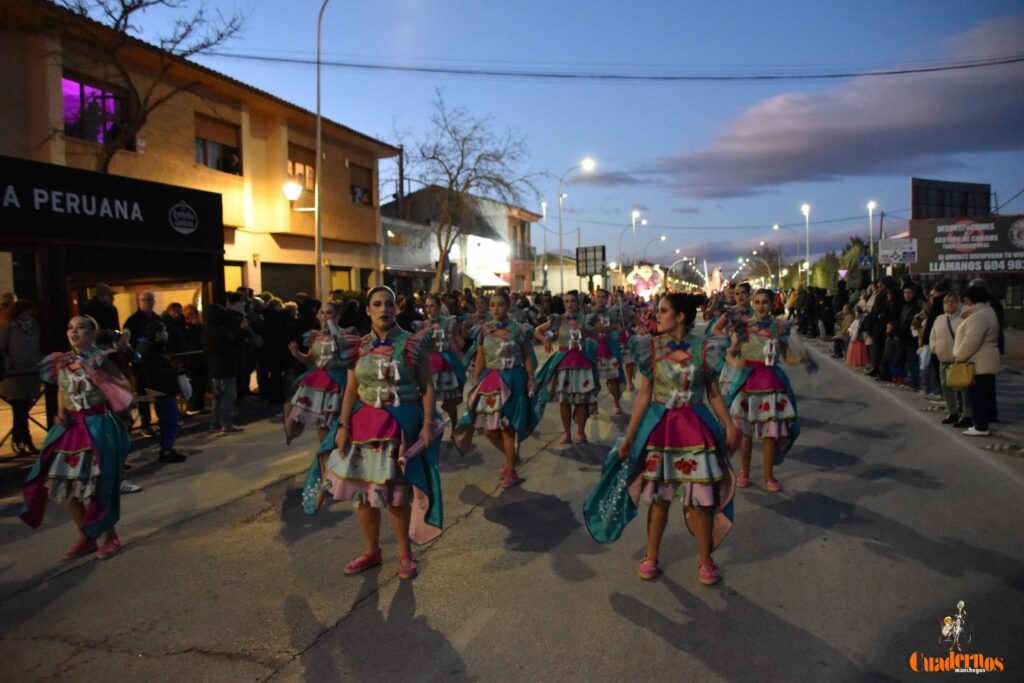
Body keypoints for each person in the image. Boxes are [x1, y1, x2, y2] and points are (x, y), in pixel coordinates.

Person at [582, 293, 738, 584]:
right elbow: (644, 396)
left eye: (663, 311)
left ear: (680, 317)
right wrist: (629, 436)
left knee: (700, 501)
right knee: (659, 499)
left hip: (695, 431)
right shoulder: (650, 348)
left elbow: (713, 393)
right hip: (662, 432)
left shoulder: (705, 349)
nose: (657, 315)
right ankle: (652, 555)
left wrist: (729, 424)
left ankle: (705, 560)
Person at [306, 286, 443, 580]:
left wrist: (427, 424)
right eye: (378, 304)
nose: (384, 309)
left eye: (390, 304)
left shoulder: (412, 343)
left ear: (396, 308)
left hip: (399, 428)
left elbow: (427, 388)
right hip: (364, 428)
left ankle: (405, 554)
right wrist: (343, 426)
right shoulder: (357, 346)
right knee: (365, 495)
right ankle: (372, 551)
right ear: (368, 310)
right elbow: (351, 390)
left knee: (395, 495)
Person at [20, 316, 132, 559]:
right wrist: (60, 412)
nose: (73, 331)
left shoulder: (102, 359)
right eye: (70, 327)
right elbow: (61, 388)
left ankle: (111, 536)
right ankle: (86, 537)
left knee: (97, 487)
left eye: (80, 327)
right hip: (71, 429)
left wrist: (103, 379)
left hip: (97, 426)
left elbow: (124, 386)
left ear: (93, 332)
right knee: (64, 484)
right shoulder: (63, 360)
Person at [722, 288, 815, 492]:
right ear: (752, 304)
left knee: (770, 434)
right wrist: (735, 362)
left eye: (765, 302)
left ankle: (768, 476)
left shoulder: (778, 328)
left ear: (772, 304)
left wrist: (801, 359)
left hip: (771, 383)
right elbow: (729, 352)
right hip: (748, 382)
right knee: (746, 433)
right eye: (757, 302)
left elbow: (787, 356)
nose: (761, 306)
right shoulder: (743, 328)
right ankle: (744, 472)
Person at [455, 291, 538, 488]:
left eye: (500, 304)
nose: (495, 308)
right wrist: (474, 383)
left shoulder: (518, 329)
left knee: (508, 428)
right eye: (492, 305)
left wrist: (531, 379)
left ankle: (511, 470)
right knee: (489, 429)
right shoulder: (482, 330)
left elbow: (527, 356)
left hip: (513, 380)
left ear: (508, 306)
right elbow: (481, 358)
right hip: (490, 382)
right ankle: (512, 459)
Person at [284, 301, 359, 445]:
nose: (325, 316)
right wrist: (297, 354)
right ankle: (324, 458)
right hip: (320, 383)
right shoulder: (315, 336)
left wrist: (332, 328)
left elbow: (347, 355)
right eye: (322, 313)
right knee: (322, 424)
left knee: (343, 423)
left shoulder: (347, 334)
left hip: (340, 382)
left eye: (329, 313)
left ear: (338, 315)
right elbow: (310, 360)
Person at [533, 291, 600, 444]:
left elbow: (595, 336)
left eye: (573, 301)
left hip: (582, 363)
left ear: (578, 303)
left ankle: (581, 432)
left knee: (581, 399)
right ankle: (567, 432)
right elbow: (537, 330)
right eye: (566, 301)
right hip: (563, 363)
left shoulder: (585, 319)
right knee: (564, 400)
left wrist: (591, 341)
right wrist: (545, 341)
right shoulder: (558, 320)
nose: (570, 304)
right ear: (563, 303)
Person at [416, 295, 466, 442]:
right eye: (427, 306)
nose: (429, 309)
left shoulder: (449, 323)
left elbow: (460, 342)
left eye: (432, 306)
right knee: (426, 399)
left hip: (446, 365)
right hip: (429, 365)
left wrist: (452, 345)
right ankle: (428, 428)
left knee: (449, 402)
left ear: (439, 307)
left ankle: (455, 426)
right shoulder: (423, 325)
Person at [952, 286, 1000, 437]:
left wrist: (958, 356)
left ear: (972, 299)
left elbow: (971, 340)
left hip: (979, 362)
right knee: (981, 394)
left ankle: (981, 426)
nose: (964, 303)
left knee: (977, 395)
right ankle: (979, 424)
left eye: (966, 300)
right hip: (984, 360)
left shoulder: (979, 316)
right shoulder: (986, 311)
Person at [138, 320, 187, 463]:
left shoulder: (157, 347)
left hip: (164, 388)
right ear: (157, 333)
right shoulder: (149, 348)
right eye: (164, 331)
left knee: (170, 419)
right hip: (160, 389)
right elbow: (153, 371)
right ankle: (166, 450)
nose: (167, 333)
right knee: (169, 420)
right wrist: (175, 371)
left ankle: (168, 448)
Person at [0, 299, 42, 455]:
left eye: (30, 313)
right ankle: (23, 440)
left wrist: (38, 360)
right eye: (25, 313)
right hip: (15, 373)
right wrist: (9, 364)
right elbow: (2, 347)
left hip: (31, 371)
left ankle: (20, 439)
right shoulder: (9, 327)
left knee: (23, 409)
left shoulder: (34, 327)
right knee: (19, 408)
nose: (28, 316)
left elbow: (37, 346)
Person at [203, 297, 250, 433]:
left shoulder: (207, 329)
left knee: (217, 397)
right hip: (226, 366)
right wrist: (241, 331)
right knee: (228, 396)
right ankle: (226, 423)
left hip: (214, 367)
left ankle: (215, 422)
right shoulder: (221, 330)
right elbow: (233, 344)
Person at [586, 289, 627, 414]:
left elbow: (620, 328)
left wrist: (615, 330)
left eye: (603, 297)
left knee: (613, 378)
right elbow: (587, 329)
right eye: (598, 296)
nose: (600, 299)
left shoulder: (612, 313)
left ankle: (616, 403)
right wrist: (608, 328)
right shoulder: (589, 313)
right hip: (594, 349)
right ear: (594, 298)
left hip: (609, 349)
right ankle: (594, 405)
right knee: (592, 378)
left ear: (607, 298)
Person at [929, 293, 964, 425]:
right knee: (946, 387)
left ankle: (964, 412)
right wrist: (935, 348)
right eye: (947, 302)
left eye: (953, 301)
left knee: (961, 389)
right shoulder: (939, 319)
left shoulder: (962, 319)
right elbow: (933, 336)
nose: (950, 304)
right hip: (943, 358)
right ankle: (952, 412)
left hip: (958, 360)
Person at [182, 304, 207, 415]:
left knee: (201, 382)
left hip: (200, 357)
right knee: (194, 383)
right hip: (191, 358)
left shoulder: (199, 326)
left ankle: (199, 405)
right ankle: (192, 406)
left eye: (194, 313)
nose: (192, 316)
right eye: (190, 313)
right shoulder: (185, 327)